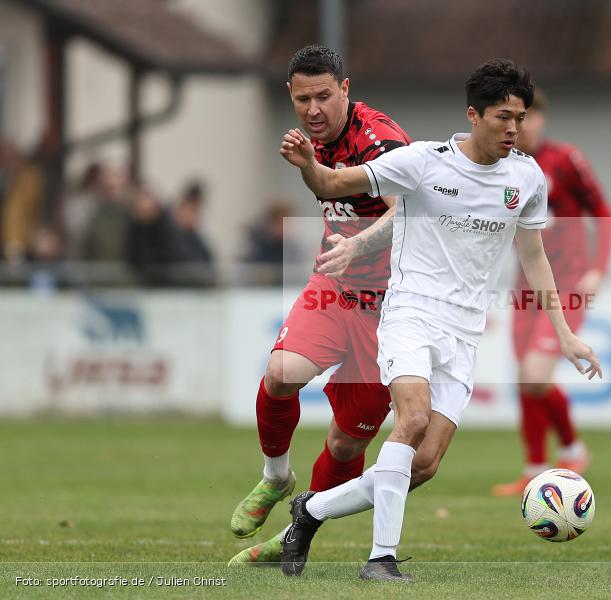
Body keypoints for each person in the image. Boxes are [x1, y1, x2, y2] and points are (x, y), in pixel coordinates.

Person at [275, 59, 601, 582]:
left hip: (465, 331)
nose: (513, 128)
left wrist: (564, 333)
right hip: (409, 312)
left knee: (422, 465)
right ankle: (380, 559)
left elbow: (534, 256)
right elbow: (336, 183)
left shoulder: (527, 176)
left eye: (519, 117)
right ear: (474, 115)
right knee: (413, 418)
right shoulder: (424, 161)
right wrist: (308, 166)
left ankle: (310, 511)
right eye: (502, 117)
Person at [228, 45, 412, 558]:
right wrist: (309, 164)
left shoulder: (381, 139)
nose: (313, 109)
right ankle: (274, 477)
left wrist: (357, 243)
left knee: (347, 444)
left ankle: (294, 534)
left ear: (346, 90)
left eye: (324, 96)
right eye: (303, 99)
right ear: (291, 96)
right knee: (282, 372)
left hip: (393, 308)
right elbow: (328, 187)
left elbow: (406, 212)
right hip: (335, 287)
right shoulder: (311, 140)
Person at [491, 88, 611, 497]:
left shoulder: (565, 160)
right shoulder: (501, 165)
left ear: (540, 119)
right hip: (524, 287)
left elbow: (603, 212)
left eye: (527, 117)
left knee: (534, 374)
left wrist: (598, 270)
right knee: (525, 381)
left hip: (568, 284)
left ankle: (574, 449)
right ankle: (534, 468)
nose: (520, 126)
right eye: (513, 118)